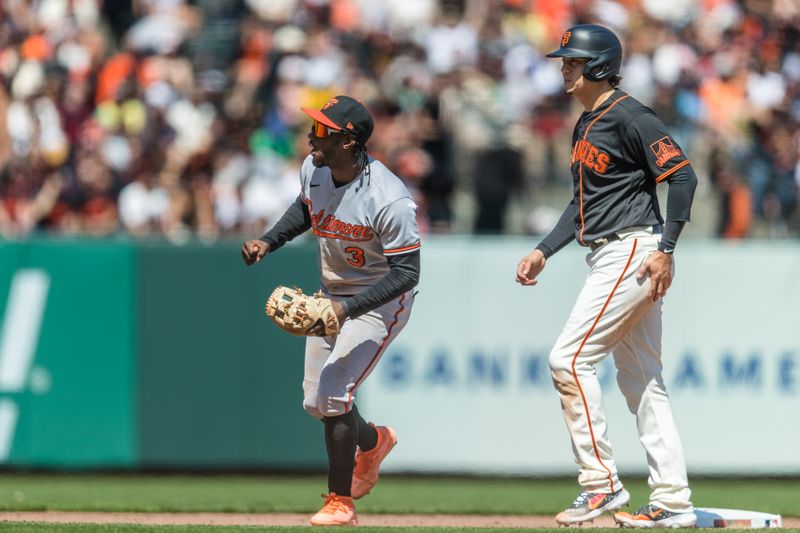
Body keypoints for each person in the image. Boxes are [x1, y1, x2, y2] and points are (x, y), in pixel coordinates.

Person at [515, 24, 698, 528]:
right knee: (643, 382)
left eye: (572, 61)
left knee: (568, 360)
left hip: (634, 249)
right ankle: (673, 502)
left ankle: (600, 485)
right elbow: (581, 204)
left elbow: (682, 174)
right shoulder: (585, 123)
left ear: (598, 66)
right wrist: (544, 250)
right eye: (565, 60)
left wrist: (667, 248)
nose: (564, 68)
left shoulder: (632, 116)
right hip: (609, 250)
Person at [241, 95, 421, 526]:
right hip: (333, 294)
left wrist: (349, 308)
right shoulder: (314, 169)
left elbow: (407, 273)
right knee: (315, 403)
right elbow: (306, 209)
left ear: (349, 141)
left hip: (380, 301)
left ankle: (340, 501)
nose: (311, 137)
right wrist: (269, 240)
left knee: (334, 392)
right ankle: (374, 441)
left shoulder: (390, 198)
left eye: (322, 130)